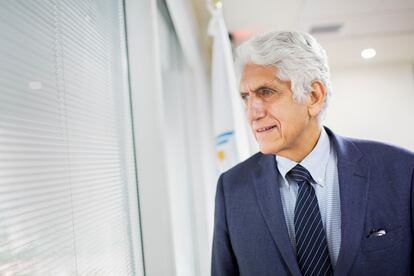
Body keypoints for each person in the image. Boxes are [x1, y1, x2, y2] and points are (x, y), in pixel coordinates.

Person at [211, 31, 414, 276]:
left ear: (314, 96)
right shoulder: (232, 188)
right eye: (246, 97)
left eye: (266, 92)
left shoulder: (402, 171)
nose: (252, 113)